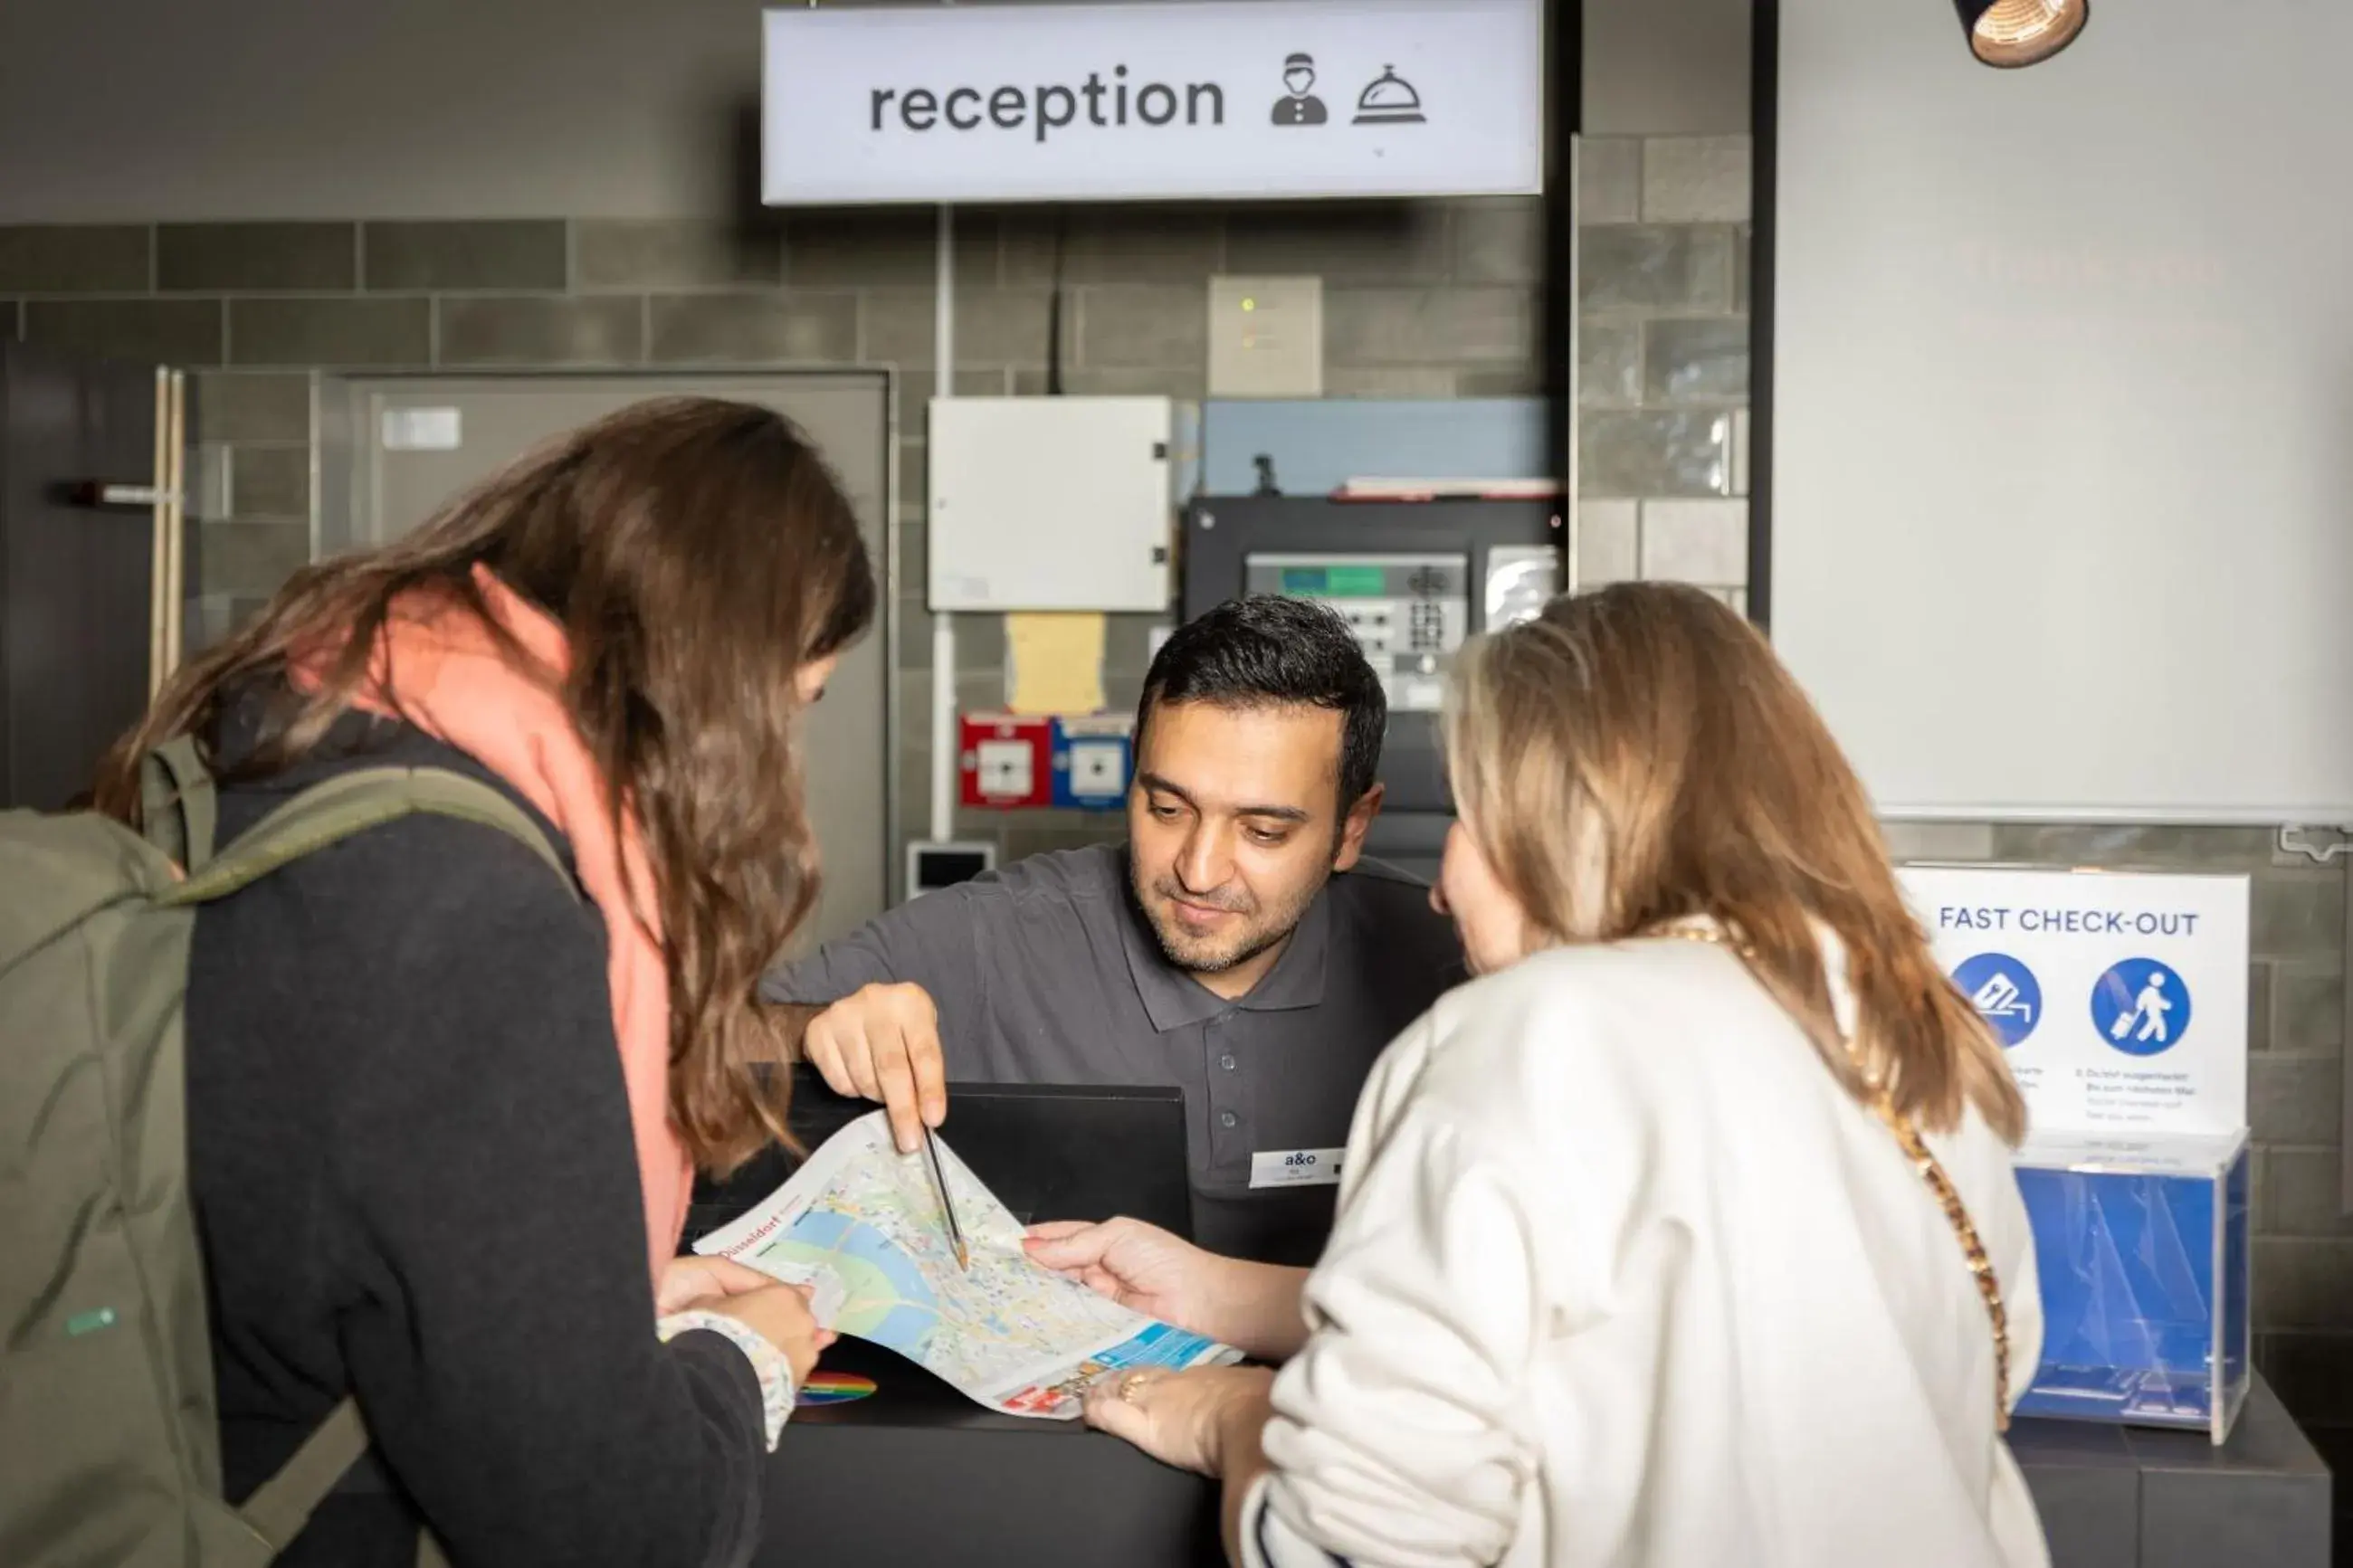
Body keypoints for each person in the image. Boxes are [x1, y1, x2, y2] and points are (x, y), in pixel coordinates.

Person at [1034, 583, 2051, 1568]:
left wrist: (1232, 1419)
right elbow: (1656, 1337)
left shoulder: (1528, 1032)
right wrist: (1215, 1292)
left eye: (1469, 819)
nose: (1438, 884)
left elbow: (1340, 1541)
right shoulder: (1915, 1030)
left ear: (1571, 826)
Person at [93, 398, 874, 1565]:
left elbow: (331, 1207)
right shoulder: (469, 908)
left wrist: (598, 1281)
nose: (786, 760)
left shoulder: (302, 741)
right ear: (720, 686)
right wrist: (745, 1354)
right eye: (792, 705)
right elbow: (612, 1527)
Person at [760, 595, 1462, 1264]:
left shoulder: (1440, 961)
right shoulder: (1001, 935)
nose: (1198, 868)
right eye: (1167, 808)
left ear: (1352, 829)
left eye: (1263, 829)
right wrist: (816, 1028)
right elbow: (700, 1041)